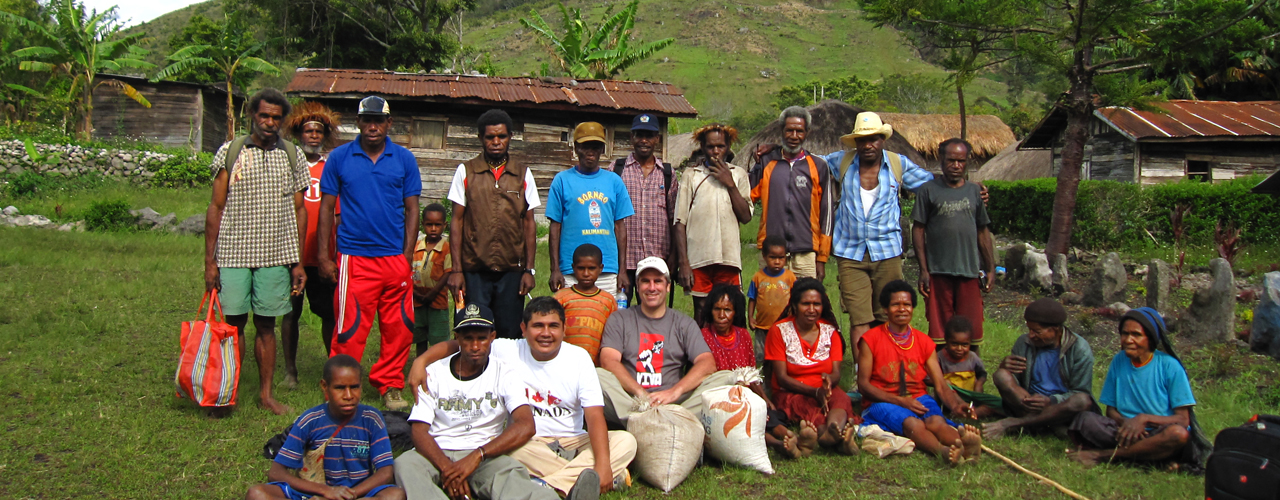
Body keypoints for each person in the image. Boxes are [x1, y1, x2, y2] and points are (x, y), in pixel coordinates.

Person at [407, 297, 637, 496]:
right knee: (505, 448)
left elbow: (595, 416)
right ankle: (582, 477)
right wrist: (421, 361)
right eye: (538, 326)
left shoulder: (579, 358)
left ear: (564, 329)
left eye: (553, 326)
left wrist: (604, 464)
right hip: (527, 443)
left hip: (573, 439)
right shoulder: (507, 349)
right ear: (523, 329)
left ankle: (547, 486)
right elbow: (460, 343)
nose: (546, 333)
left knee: (626, 442)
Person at [813, 112, 985, 358]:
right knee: (860, 318)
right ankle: (864, 373)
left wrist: (969, 188)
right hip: (850, 253)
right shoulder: (841, 162)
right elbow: (807, 161)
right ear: (856, 142)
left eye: (873, 138)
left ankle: (888, 367)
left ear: (882, 140)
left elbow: (932, 183)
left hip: (888, 252)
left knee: (889, 314)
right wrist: (773, 151)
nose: (868, 144)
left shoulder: (897, 164)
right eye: (863, 139)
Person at [393, 304, 568, 500]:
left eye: (481, 338)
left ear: (492, 337)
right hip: (436, 451)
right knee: (405, 464)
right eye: (468, 338)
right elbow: (419, 430)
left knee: (512, 478)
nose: (475, 346)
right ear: (457, 338)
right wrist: (449, 470)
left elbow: (526, 425)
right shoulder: (433, 373)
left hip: (484, 453)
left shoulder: (505, 372)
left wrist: (477, 456)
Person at [204, 88, 309, 416]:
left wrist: (297, 262)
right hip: (233, 255)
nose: (270, 122)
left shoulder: (292, 155)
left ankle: (265, 395)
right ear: (252, 115)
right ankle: (227, 393)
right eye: (264, 116)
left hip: (275, 258)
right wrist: (210, 262)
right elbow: (216, 206)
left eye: (276, 118)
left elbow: (300, 211)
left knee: (266, 326)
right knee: (231, 327)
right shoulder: (230, 151)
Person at [318, 95, 422, 412]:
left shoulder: (404, 159)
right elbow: (325, 209)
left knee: (399, 328)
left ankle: (390, 385)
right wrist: (324, 256)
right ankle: (344, 387)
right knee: (349, 330)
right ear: (359, 122)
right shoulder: (339, 158)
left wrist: (406, 256)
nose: (372, 126)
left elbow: (412, 209)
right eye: (367, 120)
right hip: (354, 257)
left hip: (394, 258)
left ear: (389, 123)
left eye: (379, 120)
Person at [597, 257, 735, 426]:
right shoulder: (620, 319)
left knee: (726, 378)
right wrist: (641, 394)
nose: (652, 287)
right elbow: (608, 361)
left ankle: (667, 420)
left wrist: (673, 393)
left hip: (674, 404)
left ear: (668, 286)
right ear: (638, 286)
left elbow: (707, 363)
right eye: (645, 281)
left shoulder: (684, 323)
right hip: (631, 403)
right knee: (597, 376)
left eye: (658, 281)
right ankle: (652, 422)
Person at [244, 354, 404, 500]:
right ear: (324, 386)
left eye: (354, 387)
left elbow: (385, 472)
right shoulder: (310, 420)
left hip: (357, 494)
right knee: (257, 494)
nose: (348, 395)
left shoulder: (371, 419)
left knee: (395, 495)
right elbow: (276, 472)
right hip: (313, 495)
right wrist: (324, 491)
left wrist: (351, 494)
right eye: (340, 388)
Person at [856, 280, 981, 465]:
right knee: (914, 424)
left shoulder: (924, 341)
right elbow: (863, 385)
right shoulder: (870, 339)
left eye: (906, 304)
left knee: (936, 421)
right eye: (895, 304)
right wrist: (900, 401)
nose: (902, 309)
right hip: (882, 401)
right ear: (885, 309)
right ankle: (944, 452)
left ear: (913, 308)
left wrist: (957, 404)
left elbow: (940, 383)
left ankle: (964, 444)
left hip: (919, 398)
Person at [446, 109, 540, 340]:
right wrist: (457, 270)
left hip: (512, 271)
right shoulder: (466, 171)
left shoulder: (523, 174)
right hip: (475, 270)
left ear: (510, 137)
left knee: (509, 333)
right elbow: (456, 221)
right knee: (475, 331)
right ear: (481, 138)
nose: (496, 142)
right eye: (490, 137)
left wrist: (529, 270)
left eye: (502, 136)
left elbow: (529, 223)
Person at [1068, 308, 1201, 467]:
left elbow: (1182, 420)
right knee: (1084, 420)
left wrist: (1143, 420)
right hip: (1123, 431)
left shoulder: (1170, 366)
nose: (1129, 340)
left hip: (1155, 432)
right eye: (1125, 334)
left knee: (1177, 434)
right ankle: (1150, 458)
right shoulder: (1119, 361)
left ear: (1150, 339)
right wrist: (1127, 425)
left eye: (1136, 335)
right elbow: (1111, 410)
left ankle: (1105, 455)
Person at [700, 283, 802, 459]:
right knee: (746, 417)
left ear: (736, 312)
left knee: (764, 412)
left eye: (727, 310)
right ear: (710, 310)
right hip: (719, 397)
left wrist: (764, 397)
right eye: (717, 309)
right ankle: (778, 444)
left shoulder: (743, 335)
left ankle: (789, 436)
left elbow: (751, 373)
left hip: (746, 393)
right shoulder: (703, 336)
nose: (722, 315)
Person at [280, 101, 341, 389]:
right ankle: (290, 371)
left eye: (319, 131)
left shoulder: (331, 168)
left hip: (323, 256)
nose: (313, 135)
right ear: (298, 135)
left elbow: (339, 215)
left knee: (329, 314)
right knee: (290, 313)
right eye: (308, 131)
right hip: (291, 255)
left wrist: (336, 254)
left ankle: (332, 369)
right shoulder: (288, 165)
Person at [912, 138, 995, 349]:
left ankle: (971, 374)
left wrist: (990, 267)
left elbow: (982, 231)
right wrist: (923, 270)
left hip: (968, 270)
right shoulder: (928, 191)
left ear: (967, 161)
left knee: (971, 330)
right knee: (940, 332)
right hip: (938, 271)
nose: (956, 166)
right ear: (941, 160)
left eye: (961, 161)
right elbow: (919, 229)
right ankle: (941, 375)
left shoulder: (975, 192)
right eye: (951, 160)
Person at [764, 278, 859, 456]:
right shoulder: (779, 331)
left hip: (824, 389)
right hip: (791, 390)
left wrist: (828, 383)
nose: (812, 309)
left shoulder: (830, 332)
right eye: (805, 304)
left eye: (817, 304)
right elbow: (782, 378)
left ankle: (834, 431)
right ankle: (830, 436)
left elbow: (836, 372)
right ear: (794, 305)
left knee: (841, 399)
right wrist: (815, 392)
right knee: (808, 406)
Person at [983, 298, 1096, 440]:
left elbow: (1081, 392)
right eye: (1029, 329)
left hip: (1059, 408)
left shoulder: (1079, 349)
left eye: (1037, 331)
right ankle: (1047, 425)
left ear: (1055, 330)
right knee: (1001, 375)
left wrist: (1051, 401)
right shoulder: (1024, 342)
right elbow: (1012, 382)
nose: (1031, 335)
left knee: (1082, 400)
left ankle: (1016, 423)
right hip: (1028, 403)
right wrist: (1005, 367)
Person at [674, 124, 752, 321]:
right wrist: (683, 263)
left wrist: (729, 183)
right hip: (699, 257)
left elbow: (745, 216)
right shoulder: (691, 175)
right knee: (701, 310)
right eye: (710, 147)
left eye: (720, 146)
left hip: (728, 257)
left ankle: (725, 352)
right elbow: (679, 221)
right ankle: (700, 352)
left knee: (728, 310)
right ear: (702, 147)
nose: (716, 151)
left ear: (728, 146)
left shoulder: (739, 175)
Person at [547, 122, 634, 298]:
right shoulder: (561, 181)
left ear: (602, 149)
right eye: (585, 146)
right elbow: (555, 227)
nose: (591, 151)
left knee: (607, 320)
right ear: (576, 148)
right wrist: (555, 268)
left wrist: (622, 270)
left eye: (596, 146)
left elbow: (620, 227)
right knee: (570, 319)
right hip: (570, 268)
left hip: (607, 268)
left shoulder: (614, 181)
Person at [748, 106, 834, 281]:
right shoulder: (766, 162)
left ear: (807, 133)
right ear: (781, 131)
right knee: (772, 304)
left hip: (806, 253)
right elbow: (746, 198)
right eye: (789, 130)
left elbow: (827, 214)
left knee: (805, 305)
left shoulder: (819, 166)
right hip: (770, 252)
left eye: (799, 131)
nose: (794, 136)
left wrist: (822, 258)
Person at [606, 114, 679, 306]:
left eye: (649, 135)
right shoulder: (616, 170)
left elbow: (674, 218)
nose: (644, 140)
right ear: (631, 137)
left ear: (657, 139)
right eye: (639, 135)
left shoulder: (668, 173)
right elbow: (609, 216)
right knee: (620, 314)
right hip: (624, 260)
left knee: (654, 315)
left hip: (657, 259)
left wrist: (673, 255)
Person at [553, 244, 617, 364]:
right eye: (581, 268)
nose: (586, 273)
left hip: (595, 365)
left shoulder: (608, 301)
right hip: (565, 362)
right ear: (573, 268)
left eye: (591, 268)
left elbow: (613, 334)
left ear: (601, 268)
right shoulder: (561, 297)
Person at [937, 316, 1001, 419]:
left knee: (996, 403)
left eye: (964, 345)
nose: (959, 349)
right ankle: (963, 408)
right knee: (945, 383)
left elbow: (982, 374)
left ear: (970, 343)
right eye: (954, 344)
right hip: (950, 397)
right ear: (946, 340)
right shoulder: (940, 357)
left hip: (969, 394)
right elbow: (932, 380)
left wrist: (979, 385)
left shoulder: (972, 357)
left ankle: (972, 412)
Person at [747, 234, 797, 363]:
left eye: (781, 258)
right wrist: (751, 317)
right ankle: (763, 379)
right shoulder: (758, 277)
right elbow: (752, 298)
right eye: (772, 257)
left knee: (783, 356)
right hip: (762, 326)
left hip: (785, 326)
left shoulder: (790, 277)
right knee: (762, 357)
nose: (777, 261)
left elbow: (796, 299)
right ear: (764, 256)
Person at [411, 203, 452, 356]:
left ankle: (439, 366)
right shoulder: (416, 247)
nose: (433, 228)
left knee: (438, 338)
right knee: (420, 335)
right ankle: (420, 363)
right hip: (417, 300)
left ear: (444, 225)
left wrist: (432, 293)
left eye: (437, 225)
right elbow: (409, 271)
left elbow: (448, 272)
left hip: (437, 301)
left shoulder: (446, 248)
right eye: (429, 225)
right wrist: (416, 293)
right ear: (423, 225)